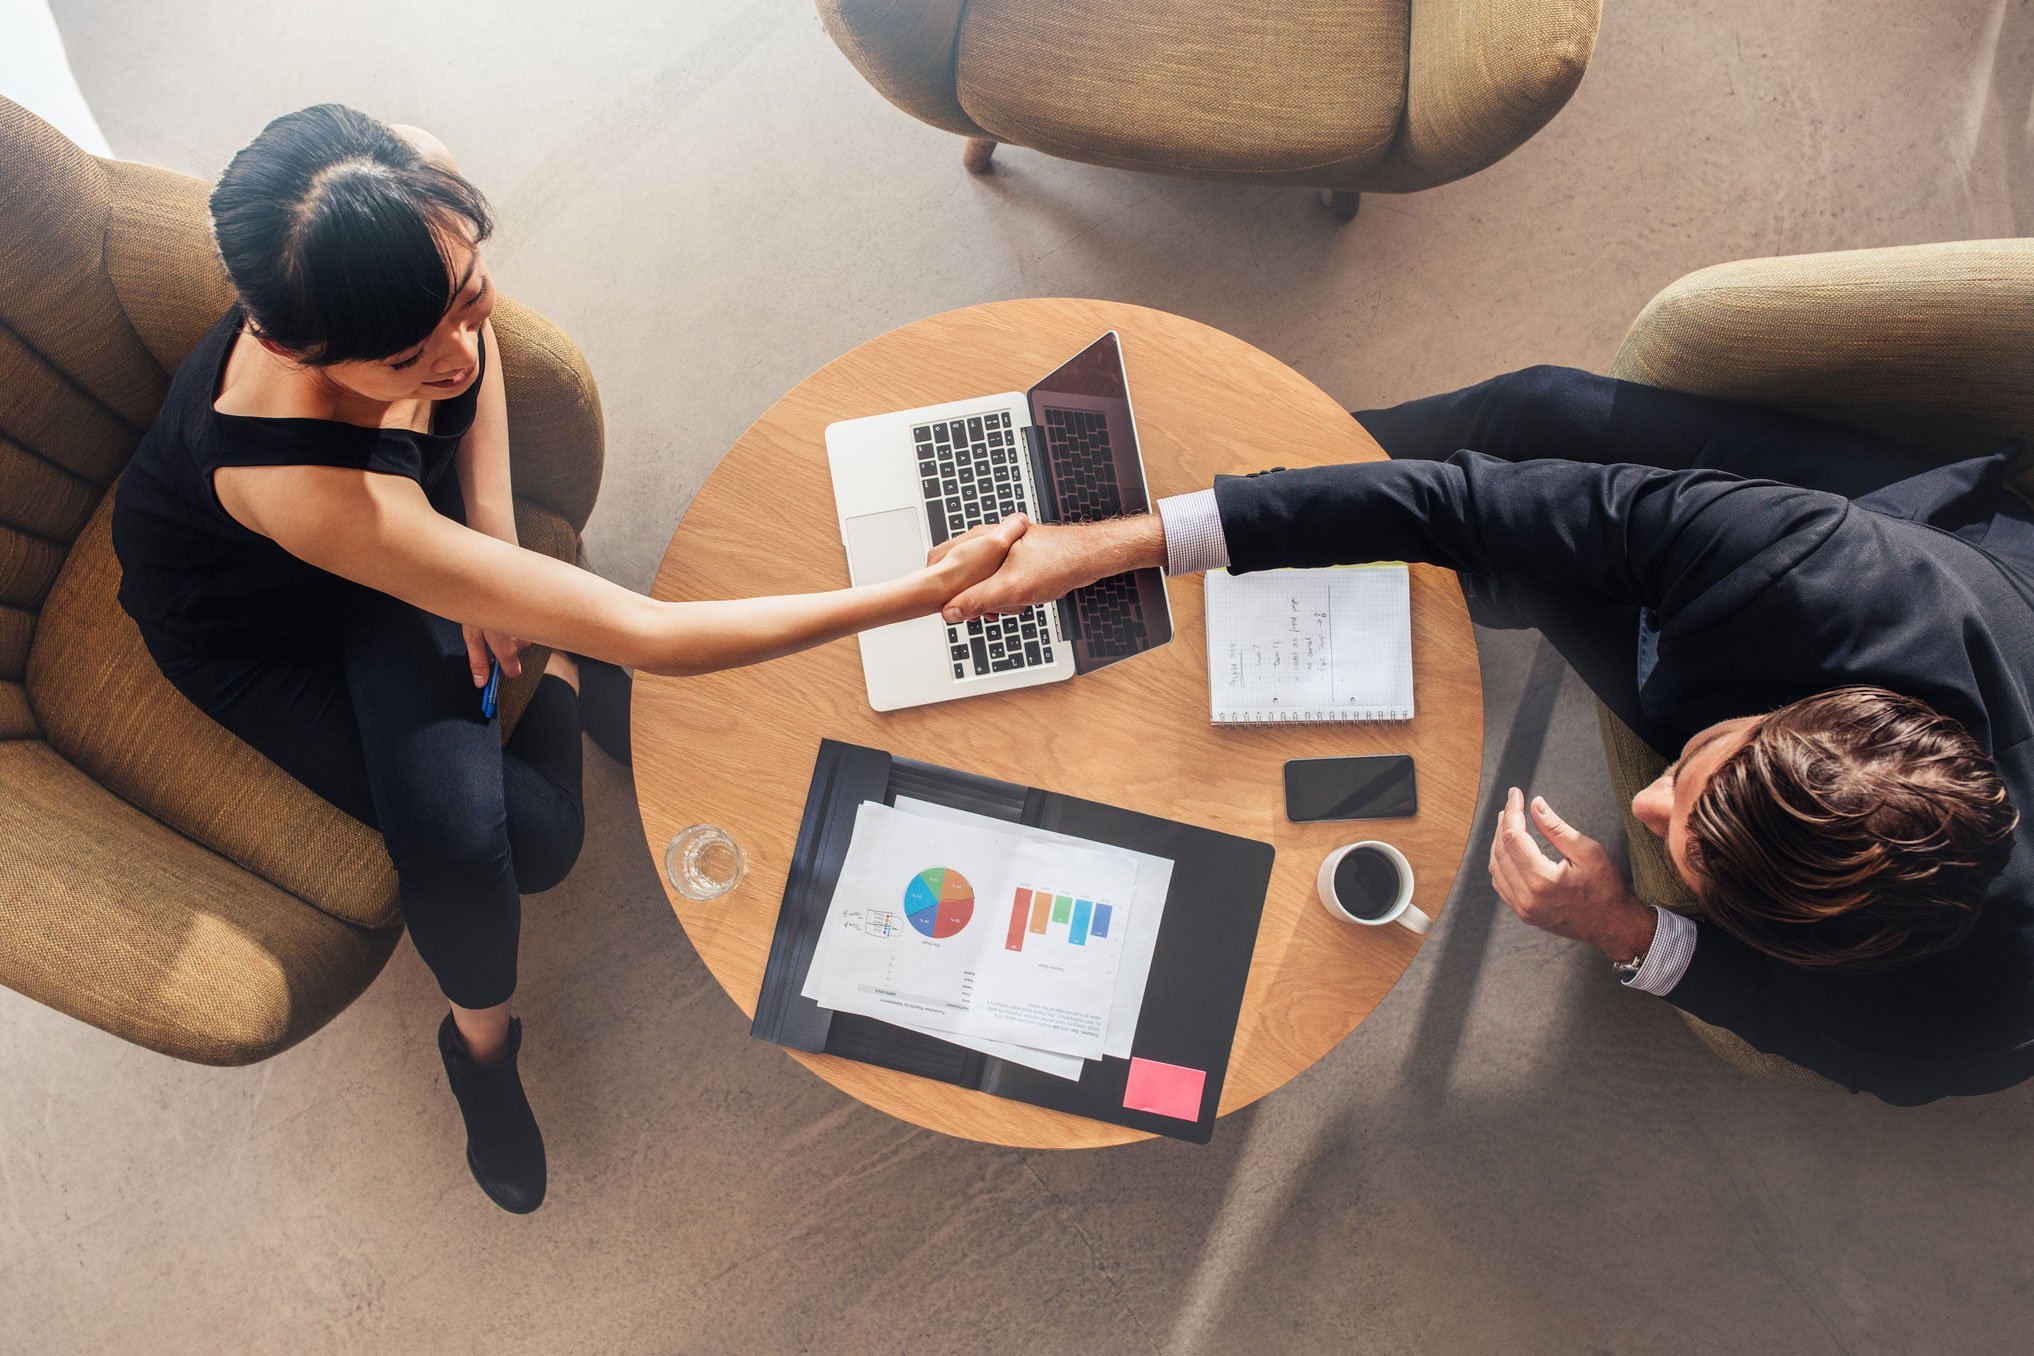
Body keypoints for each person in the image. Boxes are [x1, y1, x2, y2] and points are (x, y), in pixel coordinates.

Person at [110, 104, 1023, 1212]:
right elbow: (653, 635)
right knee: (494, 842)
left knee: (528, 834)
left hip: (411, 531)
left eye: (468, 298)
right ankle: (481, 1054)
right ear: (297, 348)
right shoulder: (299, 487)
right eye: (405, 355)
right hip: (258, 618)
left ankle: (556, 672)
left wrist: (491, 542)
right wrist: (921, 594)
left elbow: (471, 356)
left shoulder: (415, 181)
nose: (454, 357)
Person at [937, 365, 2034, 1104]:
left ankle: (1412, 585)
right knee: (1526, 421)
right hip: (1944, 554)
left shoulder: (1963, 1016)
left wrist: (1629, 930)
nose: (1645, 805)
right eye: (1692, 775)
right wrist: (1127, 545)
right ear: (1798, 710)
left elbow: (1811, 1030)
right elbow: (1468, 502)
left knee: (1519, 571)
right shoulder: (1806, 561)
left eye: (1685, 853)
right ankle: (1283, 484)